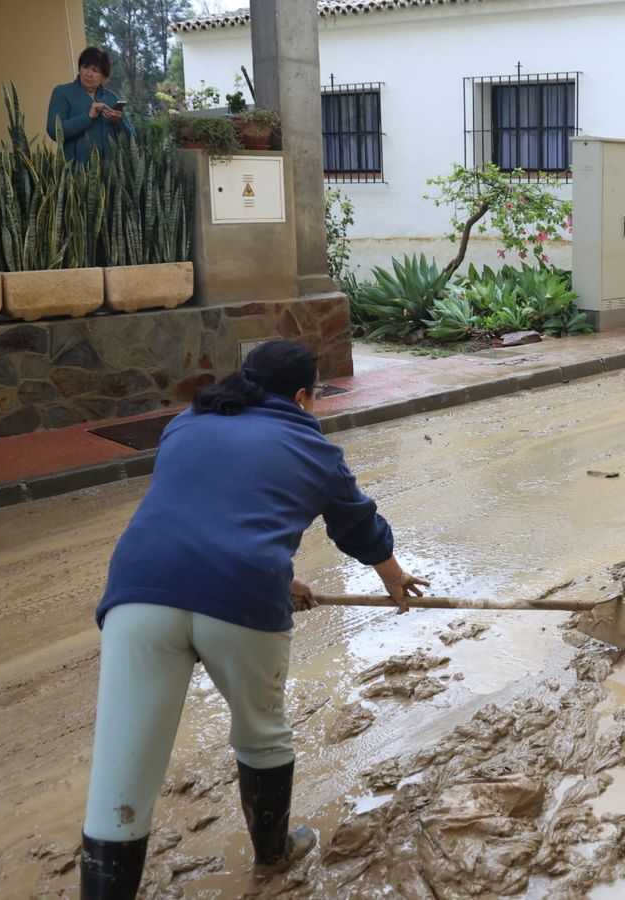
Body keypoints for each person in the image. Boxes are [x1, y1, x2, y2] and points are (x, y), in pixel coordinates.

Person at [79, 340, 429, 898]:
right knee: (262, 733)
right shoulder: (313, 449)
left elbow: (204, 510)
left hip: (140, 592)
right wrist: (393, 578)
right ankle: (273, 852)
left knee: (122, 764)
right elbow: (357, 526)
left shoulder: (186, 424)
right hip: (241, 596)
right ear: (301, 397)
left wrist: (282, 579)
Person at [47, 46, 134, 163]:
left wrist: (119, 122)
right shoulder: (62, 93)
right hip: (76, 174)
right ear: (79, 68)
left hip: (110, 175)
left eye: (95, 70)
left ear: (104, 76)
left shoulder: (111, 98)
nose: (88, 74)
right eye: (85, 67)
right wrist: (88, 117)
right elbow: (53, 131)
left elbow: (132, 139)